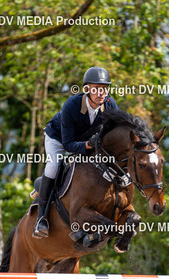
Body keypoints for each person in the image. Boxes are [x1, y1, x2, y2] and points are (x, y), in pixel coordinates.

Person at [33, 66, 119, 238]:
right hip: (58, 138)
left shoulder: (110, 105)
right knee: (54, 166)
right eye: (96, 88)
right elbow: (68, 144)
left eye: (104, 88)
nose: (101, 93)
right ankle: (41, 219)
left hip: (86, 141)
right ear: (87, 89)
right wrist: (87, 145)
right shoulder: (71, 105)